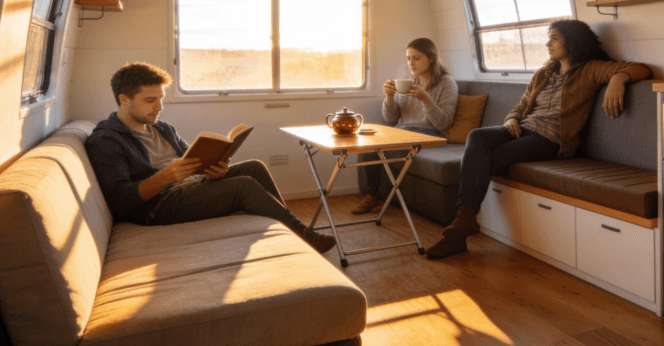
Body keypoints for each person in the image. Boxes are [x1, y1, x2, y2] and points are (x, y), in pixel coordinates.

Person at [425, 19, 651, 259]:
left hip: (551, 141)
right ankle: (465, 219)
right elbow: (522, 104)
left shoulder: (590, 69)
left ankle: (461, 227)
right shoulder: (544, 73)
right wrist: (511, 120)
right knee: (477, 136)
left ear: (572, 42)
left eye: (554, 38)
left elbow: (641, 69)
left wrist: (618, 79)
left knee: (493, 157)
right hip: (523, 129)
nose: (547, 44)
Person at [85, 62, 335, 253]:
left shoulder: (162, 128)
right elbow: (119, 201)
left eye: (160, 99)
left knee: (254, 167)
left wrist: (216, 169)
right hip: (159, 205)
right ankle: (304, 236)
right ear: (124, 99)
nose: (159, 107)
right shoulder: (106, 141)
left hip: (187, 186)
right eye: (150, 100)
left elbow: (191, 159)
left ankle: (287, 230)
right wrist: (165, 178)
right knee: (243, 186)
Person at [351, 38, 458, 215]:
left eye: (416, 58)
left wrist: (425, 99)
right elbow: (391, 119)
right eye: (408, 58)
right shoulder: (408, 81)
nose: (411, 63)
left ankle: (384, 196)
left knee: (388, 150)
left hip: (430, 134)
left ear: (431, 58)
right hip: (403, 131)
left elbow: (444, 123)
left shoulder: (446, 83)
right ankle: (372, 196)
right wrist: (389, 97)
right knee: (368, 145)